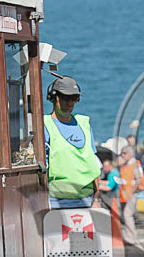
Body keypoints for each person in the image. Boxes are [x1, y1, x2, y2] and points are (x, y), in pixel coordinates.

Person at [43, 76, 102, 210]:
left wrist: (97, 198)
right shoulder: (45, 125)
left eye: (74, 98)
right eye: (65, 97)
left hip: (86, 200)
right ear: (53, 97)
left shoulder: (84, 124)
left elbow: (92, 163)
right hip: (56, 200)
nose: (70, 102)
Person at [116, 145, 144, 245]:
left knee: (127, 214)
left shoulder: (135, 164)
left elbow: (139, 180)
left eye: (124, 153)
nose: (122, 155)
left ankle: (132, 237)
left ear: (129, 154)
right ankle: (130, 236)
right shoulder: (125, 164)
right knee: (126, 214)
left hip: (132, 193)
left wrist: (131, 192)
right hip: (125, 193)